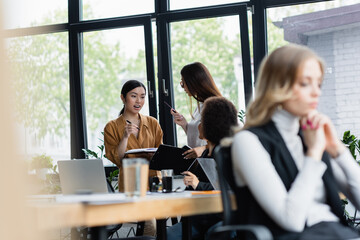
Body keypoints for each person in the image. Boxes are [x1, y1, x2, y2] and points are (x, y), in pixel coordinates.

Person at [231, 44, 360, 240]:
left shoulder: (309, 136)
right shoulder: (248, 141)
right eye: (305, 83)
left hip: (335, 232)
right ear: (278, 86)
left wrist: (338, 150)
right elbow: (291, 220)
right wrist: (314, 154)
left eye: (318, 83)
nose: (316, 92)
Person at [167, 96, 238, 240]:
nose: (198, 125)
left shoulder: (228, 155)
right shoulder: (205, 153)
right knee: (168, 235)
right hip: (199, 218)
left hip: (220, 218)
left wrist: (197, 184)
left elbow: (229, 193)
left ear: (211, 125)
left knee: (214, 233)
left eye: (201, 122)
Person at [104, 79, 163, 236]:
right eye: (134, 96)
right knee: (150, 223)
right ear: (123, 98)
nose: (139, 101)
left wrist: (155, 156)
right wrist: (125, 137)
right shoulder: (112, 127)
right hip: (132, 188)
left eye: (142, 97)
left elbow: (161, 154)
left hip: (156, 185)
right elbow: (118, 159)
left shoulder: (153, 123)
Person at [170, 62, 222, 159]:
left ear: (194, 82)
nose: (182, 86)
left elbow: (225, 140)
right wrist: (185, 125)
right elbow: (199, 137)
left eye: (183, 82)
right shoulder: (200, 106)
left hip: (210, 163)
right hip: (199, 162)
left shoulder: (216, 106)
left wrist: (203, 149)